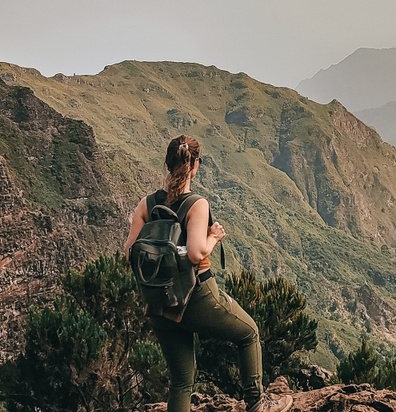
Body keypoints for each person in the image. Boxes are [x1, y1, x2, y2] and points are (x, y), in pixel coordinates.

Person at [125, 135, 292, 412]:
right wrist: (214, 236)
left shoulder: (147, 204)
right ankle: (257, 403)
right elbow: (195, 254)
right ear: (196, 166)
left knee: (181, 381)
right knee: (249, 332)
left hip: (159, 302)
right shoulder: (196, 204)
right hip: (196, 296)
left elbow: (129, 252)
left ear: (168, 164)